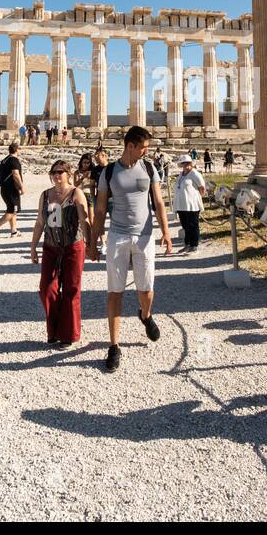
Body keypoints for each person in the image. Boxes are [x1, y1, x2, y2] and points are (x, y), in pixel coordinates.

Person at [89, 126, 173, 373]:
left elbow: (158, 202)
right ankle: (114, 345)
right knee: (115, 291)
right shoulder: (109, 172)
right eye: (143, 147)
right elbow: (101, 209)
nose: (147, 151)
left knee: (145, 289)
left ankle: (145, 315)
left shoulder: (149, 168)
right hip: (117, 235)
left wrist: (166, 232)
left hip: (145, 236)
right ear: (130, 146)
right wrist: (94, 242)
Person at [30, 159, 91, 347]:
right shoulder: (46, 195)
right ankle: (54, 329)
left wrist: (91, 244)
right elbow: (40, 222)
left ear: (68, 174)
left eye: (60, 172)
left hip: (73, 246)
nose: (57, 175)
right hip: (51, 246)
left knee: (71, 290)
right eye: (54, 172)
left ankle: (69, 335)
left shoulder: (76, 193)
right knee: (47, 289)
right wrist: (33, 246)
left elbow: (84, 220)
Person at [172, 155, 206, 254]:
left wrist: (196, 197)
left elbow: (202, 187)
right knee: (185, 226)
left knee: (193, 226)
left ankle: (194, 246)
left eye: (187, 163)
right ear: (181, 165)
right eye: (184, 163)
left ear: (191, 164)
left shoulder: (195, 173)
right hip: (181, 205)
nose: (186, 165)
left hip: (192, 205)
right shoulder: (181, 174)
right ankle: (187, 245)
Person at [0, 142, 24, 238]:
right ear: (16, 150)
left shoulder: (5, 159)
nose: (20, 150)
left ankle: (14, 231)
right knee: (13, 210)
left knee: (12, 210)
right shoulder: (14, 160)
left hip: (4, 188)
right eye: (20, 148)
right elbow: (15, 174)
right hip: (11, 189)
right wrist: (21, 186)